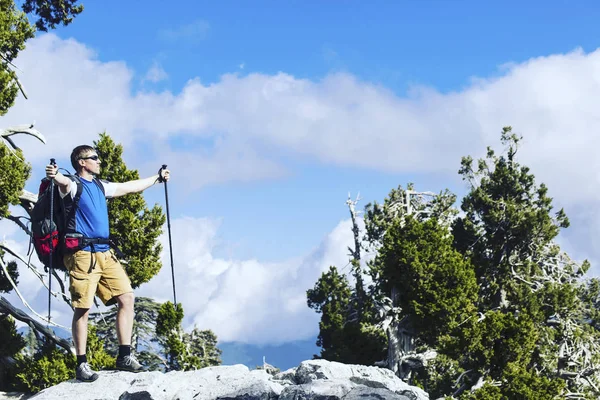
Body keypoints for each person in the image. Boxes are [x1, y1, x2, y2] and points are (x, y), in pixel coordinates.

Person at [45, 145, 170, 382]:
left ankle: (124, 357)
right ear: (82, 162)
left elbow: (129, 187)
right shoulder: (72, 185)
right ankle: (81, 364)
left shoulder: (101, 186)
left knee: (127, 298)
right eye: (94, 158)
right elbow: (61, 181)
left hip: (105, 252)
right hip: (82, 255)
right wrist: (54, 174)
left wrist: (157, 178)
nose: (99, 161)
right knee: (82, 308)